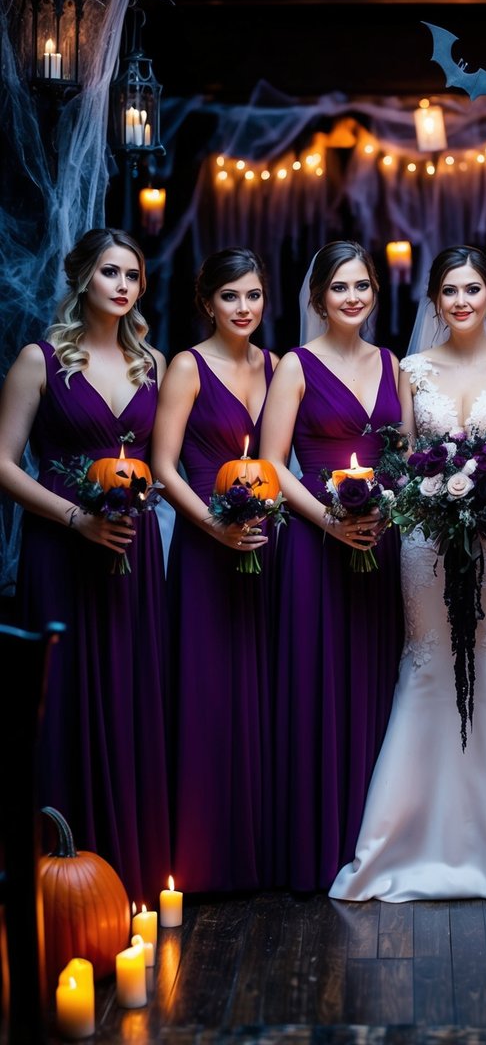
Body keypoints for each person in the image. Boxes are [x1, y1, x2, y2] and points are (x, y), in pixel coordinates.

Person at [330, 245, 486, 902]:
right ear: (433, 301)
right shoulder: (410, 370)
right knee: (430, 662)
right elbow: (405, 462)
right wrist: (434, 500)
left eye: (473, 289)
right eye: (449, 291)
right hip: (425, 544)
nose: (461, 301)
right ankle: (407, 840)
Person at [0, 227, 171, 902]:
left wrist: (149, 494)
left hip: (130, 550)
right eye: (110, 272)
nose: (123, 285)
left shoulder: (152, 364)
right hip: (63, 545)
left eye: (133, 274)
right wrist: (75, 517)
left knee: (130, 695)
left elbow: (159, 465)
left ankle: (130, 869)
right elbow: (3, 464)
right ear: (82, 279)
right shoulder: (40, 360)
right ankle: (62, 875)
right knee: (66, 699)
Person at [259, 240, 404, 892]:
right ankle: (312, 846)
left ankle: (368, 843)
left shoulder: (391, 364)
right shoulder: (294, 366)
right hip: (316, 549)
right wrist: (327, 520)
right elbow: (267, 466)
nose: (353, 297)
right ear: (318, 297)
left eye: (363, 286)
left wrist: (387, 508)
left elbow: (402, 455)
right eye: (340, 287)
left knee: (373, 685)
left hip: (379, 542)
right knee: (317, 689)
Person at [152, 248, 278, 893]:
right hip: (206, 548)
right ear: (208, 303)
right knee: (206, 693)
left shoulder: (276, 365)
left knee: (260, 695)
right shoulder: (186, 366)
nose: (244, 308)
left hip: (263, 549)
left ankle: (255, 850)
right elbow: (163, 466)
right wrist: (213, 525)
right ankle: (201, 859)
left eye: (253, 295)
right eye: (230, 296)